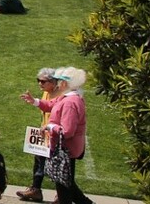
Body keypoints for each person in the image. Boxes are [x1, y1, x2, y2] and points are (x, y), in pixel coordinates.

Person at [40, 67, 92, 204]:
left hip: (65, 149)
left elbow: (67, 131)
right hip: (66, 148)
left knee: (64, 188)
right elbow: (51, 105)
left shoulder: (70, 102)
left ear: (64, 83)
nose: (56, 84)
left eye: (58, 81)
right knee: (67, 183)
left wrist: (49, 126)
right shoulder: (69, 98)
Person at [17, 68, 59, 202]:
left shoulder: (60, 95)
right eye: (38, 81)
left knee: (57, 167)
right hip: (45, 133)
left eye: (43, 81)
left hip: (57, 136)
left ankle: (61, 195)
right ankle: (35, 190)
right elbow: (46, 108)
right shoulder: (46, 93)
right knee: (39, 161)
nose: (40, 84)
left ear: (53, 82)